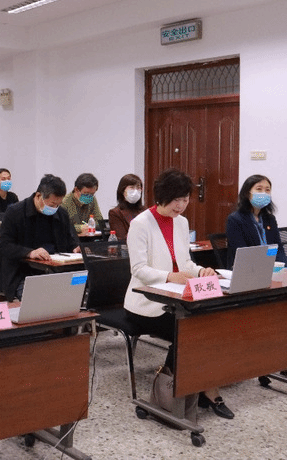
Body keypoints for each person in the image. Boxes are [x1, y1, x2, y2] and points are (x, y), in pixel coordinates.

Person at [123, 168, 233, 419]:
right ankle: (179, 394)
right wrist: (170, 276)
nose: (181, 206)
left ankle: (194, 389)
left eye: (185, 200)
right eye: (176, 200)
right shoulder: (140, 224)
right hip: (146, 302)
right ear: (162, 197)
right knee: (188, 330)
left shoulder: (181, 222)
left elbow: (185, 263)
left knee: (208, 325)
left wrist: (201, 270)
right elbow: (138, 270)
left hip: (178, 297)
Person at [0, 174, 79, 301]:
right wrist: (30, 252)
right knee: (41, 300)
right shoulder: (15, 212)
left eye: (58, 204)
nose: (54, 208)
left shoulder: (61, 214)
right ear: (38, 196)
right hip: (23, 273)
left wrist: (75, 248)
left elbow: (70, 240)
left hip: (57, 271)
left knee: (77, 293)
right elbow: (4, 246)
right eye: (52, 204)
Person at [226, 174, 287, 268]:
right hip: (246, 269)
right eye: (259, 189)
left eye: (267, 190)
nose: (264, 193)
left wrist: (284, 268)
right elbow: (242, 253)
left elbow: (277, 248)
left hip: (270, 268)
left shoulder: (270, 219)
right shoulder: (235, 219)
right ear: (247, 193)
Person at [108, 174, 145, 240]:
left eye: (138, 188)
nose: (135, 191)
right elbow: (121, 237)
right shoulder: (115, 213)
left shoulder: (145, 211)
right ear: (122, 191)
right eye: (132, 188)